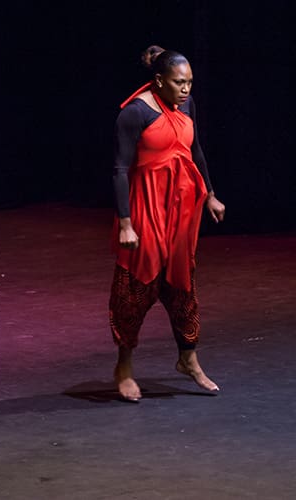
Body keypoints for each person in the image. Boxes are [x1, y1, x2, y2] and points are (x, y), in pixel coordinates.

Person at [109, 45, 226, 401]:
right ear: (159, 81)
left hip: (181, 211)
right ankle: (124, 367)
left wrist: (209, 194)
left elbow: (196, 150)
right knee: (135, 291)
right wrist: (126, 223)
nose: (186, 89)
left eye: (190, 82)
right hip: (146, 210)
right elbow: (118, 169)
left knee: (182, 284)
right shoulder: (134, 113)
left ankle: (188, 359)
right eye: (179, 82)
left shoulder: (186, 106)